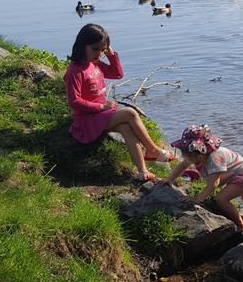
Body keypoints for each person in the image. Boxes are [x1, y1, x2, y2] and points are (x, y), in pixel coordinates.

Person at [63, 24, 175, 183]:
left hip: (100, 116)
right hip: (86, 121)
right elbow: (74, 101)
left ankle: (143, 170)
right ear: (82, 45)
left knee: (126, 128)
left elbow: (117, 74)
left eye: (103, 50)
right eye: (95, 49)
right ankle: (152, 149)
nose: (99, 54)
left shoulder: (96, 64)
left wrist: (111, 55)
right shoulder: (75, 71)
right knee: (130, 113)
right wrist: (102, 107)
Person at [161, 125, 243, 239]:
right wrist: (169, 179)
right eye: (184, 153)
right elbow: (182, 166)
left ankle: (242, 226)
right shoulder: (195, 155)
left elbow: (214, 183)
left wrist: (197, 199)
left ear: (200, 151)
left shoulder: (215, 158)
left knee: (221, 199)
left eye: (188, 154)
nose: (185, 156)